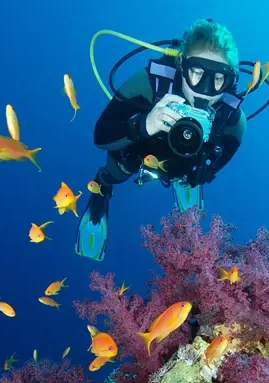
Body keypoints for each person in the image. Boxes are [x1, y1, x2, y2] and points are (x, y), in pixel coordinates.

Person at [76, 19, 247, 262]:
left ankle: (184, 182)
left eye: (219, 78)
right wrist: (145, 125)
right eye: (197, 73)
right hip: (138, 154)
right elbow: (101, 136)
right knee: (116, 172)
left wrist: (200, 172)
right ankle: (101, 191)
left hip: (185, 163)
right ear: (181, 66)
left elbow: (217, 163)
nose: (206, 90)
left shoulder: (232, 119)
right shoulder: (149, 84)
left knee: (192, 175)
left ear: (231, 81)